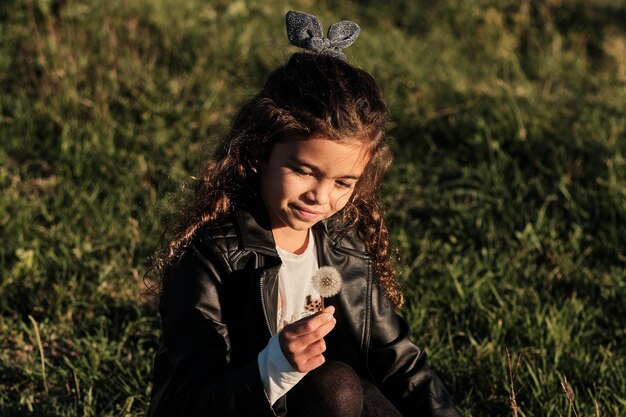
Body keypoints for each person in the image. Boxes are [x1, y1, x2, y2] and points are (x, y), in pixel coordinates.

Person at [147, 10, 462, 417]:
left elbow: (400, 364)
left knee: (355, 390)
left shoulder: (346, 249)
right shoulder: (212, 258)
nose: (319, 196)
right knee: (337, 386)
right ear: (259, 151)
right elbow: (185, 403)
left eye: (342, 183)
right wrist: (274, 364)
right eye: (303, 170)